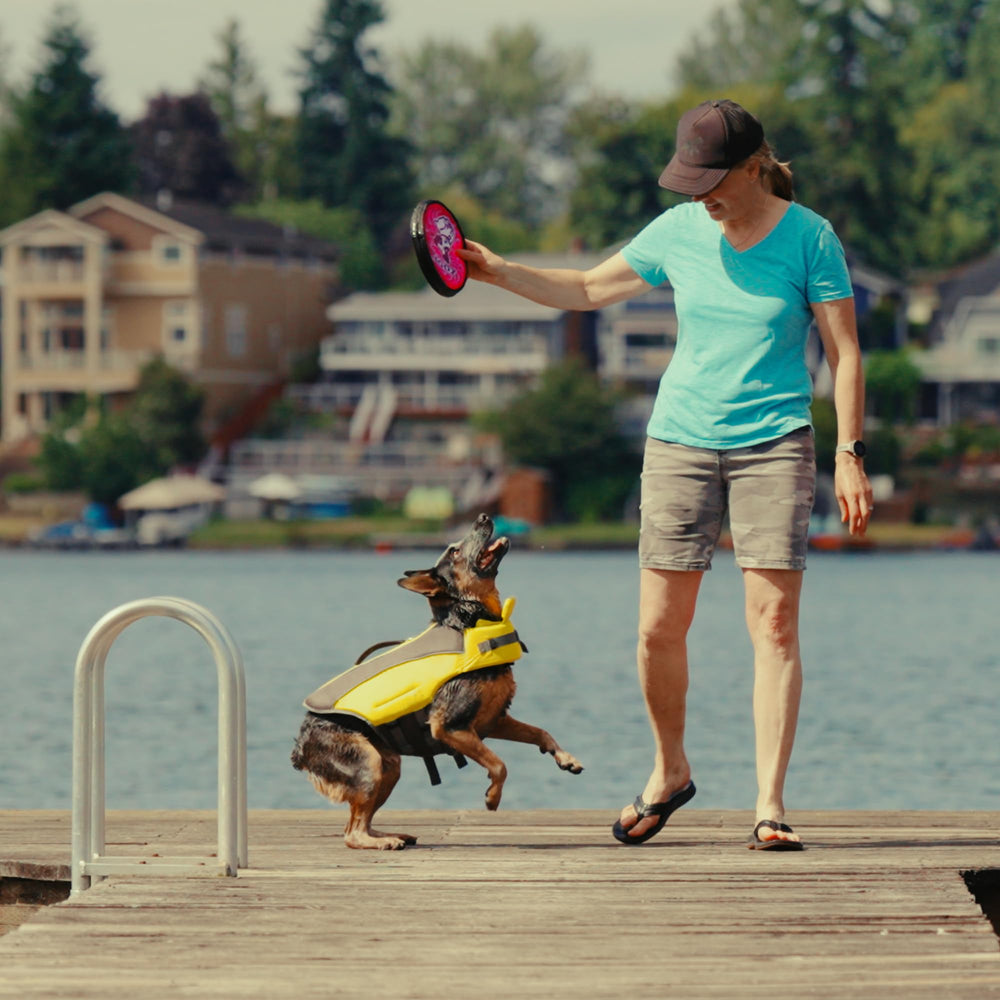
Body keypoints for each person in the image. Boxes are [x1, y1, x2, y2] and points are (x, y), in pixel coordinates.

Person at [458, 98, 873, 850]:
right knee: (657, 630)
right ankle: (669, 771)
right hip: (679, 442)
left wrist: (849, 451)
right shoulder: (680, 231)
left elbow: (844, 353)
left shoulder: (811, 239)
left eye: (713, 179)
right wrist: (497, 272)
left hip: (774, 442)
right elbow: (586, 289)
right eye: (690, 180)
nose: (701, 195)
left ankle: (770, 805)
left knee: (773, 624)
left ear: (755, 167)